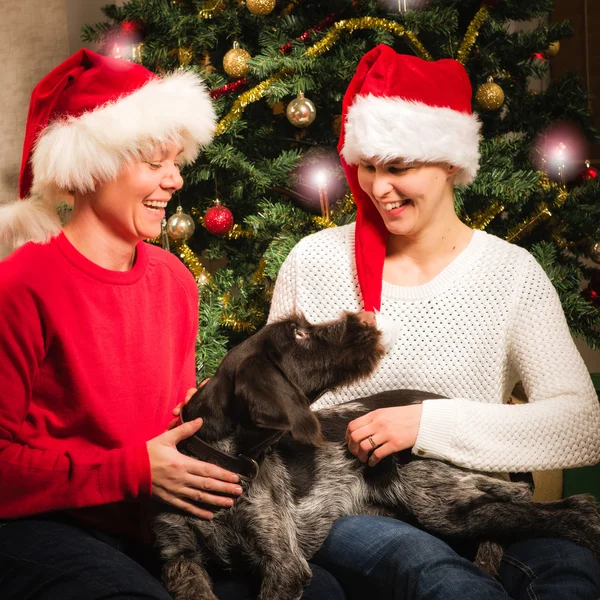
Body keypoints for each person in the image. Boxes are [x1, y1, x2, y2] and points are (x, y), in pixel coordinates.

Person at [0, 50, 345, 600]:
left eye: (176, 161)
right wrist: (132, 470)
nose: (176, 179)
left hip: (157, 521)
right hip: (52, 524)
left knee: (322, 590)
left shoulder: (174, 280)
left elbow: (173, 419)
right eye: (155, 163)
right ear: (90, 165)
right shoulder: (20, 286)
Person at [268, 44, 600, 599]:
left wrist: (428, 426)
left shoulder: (509, 273)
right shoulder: (315, 261)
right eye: (368, 167)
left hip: (479, 504)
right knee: (426, 566)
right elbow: (272, 411)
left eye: (399, 167)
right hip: (357, 513)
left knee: (569, 571)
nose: (378, 188)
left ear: (450, 162)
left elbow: (581, 426)